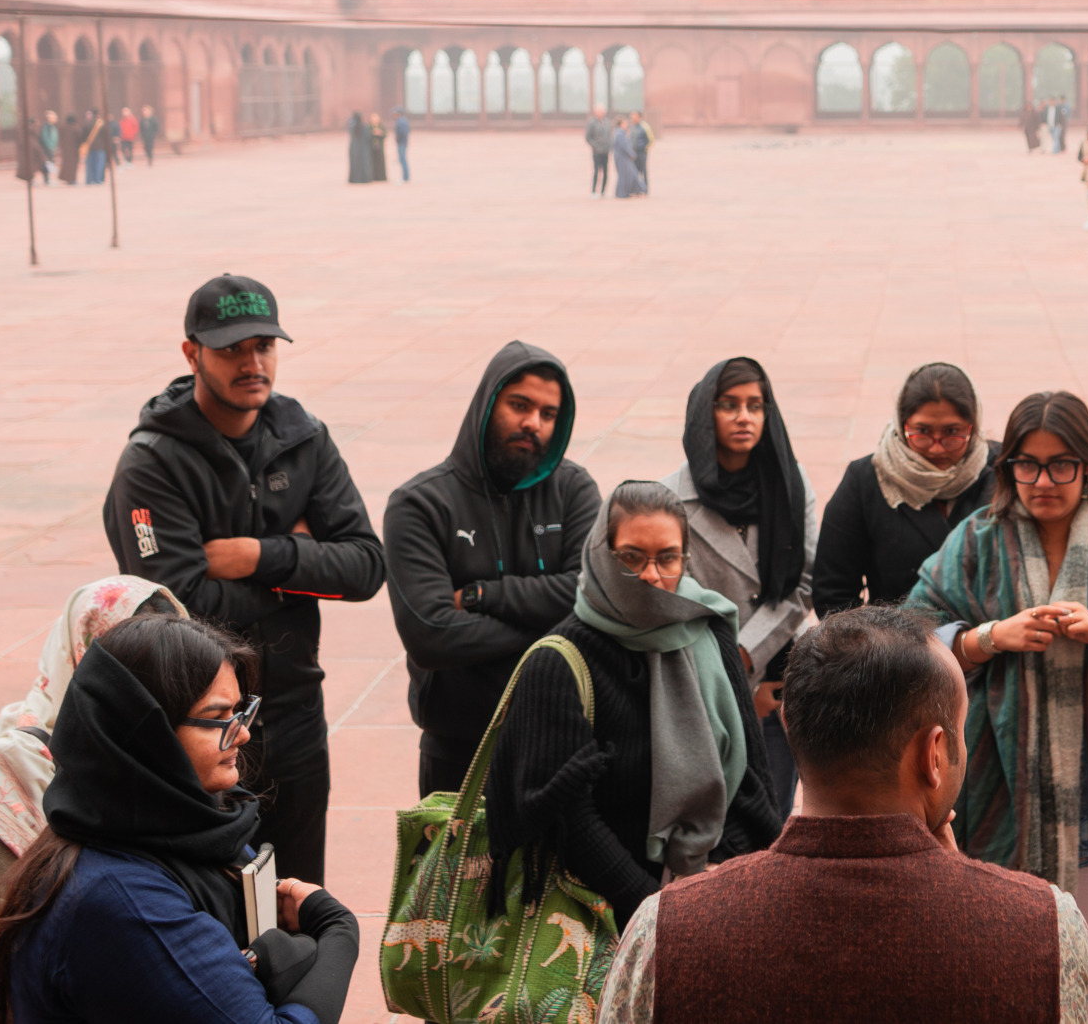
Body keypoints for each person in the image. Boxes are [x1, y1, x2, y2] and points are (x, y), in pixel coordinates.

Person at [597, 605, 1088, 1024]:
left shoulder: (667, 929)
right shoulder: (1043, 930)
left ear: (793, 728)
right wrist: (972, 894)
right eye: (959, 729)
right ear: (933, 754)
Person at [902, 390, 1088, 1015]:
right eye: (1028, 464)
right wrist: (987, 638)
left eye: (1061, 464)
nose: (1043, 481)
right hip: (994, 801)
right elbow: (909, 639)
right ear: (1007, 466)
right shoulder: (974, 544)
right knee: (992, 985)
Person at [100, 274, 386, 884]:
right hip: (201, 730)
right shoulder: (152, 463)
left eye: (264, 345)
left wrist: (261, 555)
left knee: (300, 898)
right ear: (191, 353)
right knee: (215, 907)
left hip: (296, 713)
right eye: (231, 348)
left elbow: (365, 566)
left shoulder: (303, 437)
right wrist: (306, 562)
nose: (251, 362)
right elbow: (180, 605)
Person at [0, 615, 360, 1024]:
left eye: (240, 710)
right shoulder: (125, 900)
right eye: (218, 717)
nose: (243, 734)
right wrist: (339, 934)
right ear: (148, 737)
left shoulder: (188, 823)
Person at [484, 480, 784, 932]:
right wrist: (658, 908)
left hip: (713, 899)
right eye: (631, 557)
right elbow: (569, 821)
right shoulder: (561, 661)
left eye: (667, 557)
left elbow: (749, 781)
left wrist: (726, 877)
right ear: (601, 553)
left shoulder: (710, 632)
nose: (651, 575)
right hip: (604, 920)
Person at [0, 577, 189, 1024]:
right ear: (86, 663)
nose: (157, 696)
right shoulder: (13, 767)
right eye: (136, 674)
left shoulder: (164, 750)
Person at [386, 340, 600, 797]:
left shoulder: (574, 489)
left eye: (548, 414)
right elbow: (431, 635)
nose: (533, 423)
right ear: (487, 404)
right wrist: (562, 631)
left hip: (561, 739)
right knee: (460, 872)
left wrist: (484, 597)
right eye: (519, 405)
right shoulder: (419, 504)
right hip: (458, 750)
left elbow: (590, 597)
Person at [664, 357, 819, 811]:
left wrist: (749, 654)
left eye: (755, 404)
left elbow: (804, 581)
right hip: (704, 679)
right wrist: (732, 672)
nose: (744, 417)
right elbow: (678, 598)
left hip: (774, 680)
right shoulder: (670, 496)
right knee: (710, 814)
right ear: (703, 413)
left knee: (771, 809)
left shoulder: (792, 482)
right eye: (728, 404)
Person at [810, 362, 998, 616]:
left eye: (952, 432)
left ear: (972, 427)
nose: (936, 448)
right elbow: (833, 594)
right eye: (922, 432)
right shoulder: (866, 480)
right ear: (902, 423)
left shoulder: (1003, 470)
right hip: (901, 649)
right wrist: (877, 648)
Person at [613, 114, 644, 198]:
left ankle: (626, 192)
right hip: (622, 158)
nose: (626, 125)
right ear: (621, 124)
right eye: (625, 123)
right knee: (623, 175)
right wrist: (631, 154)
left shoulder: (621, 133)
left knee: (627, 175)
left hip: (623, 157)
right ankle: (621, 193)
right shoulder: (619, 134)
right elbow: (624, 146)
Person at [586, 104, 615, 195]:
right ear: (596, 112)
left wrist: (610, 146)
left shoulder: (607, 122)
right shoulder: (592, 123)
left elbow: (610, 135)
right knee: (596, 172)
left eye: (602, 112)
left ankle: (603, 191)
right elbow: (588, 137)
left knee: (606, 172)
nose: (601, 113)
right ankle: (594, 191)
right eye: (599, 112)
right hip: (597, 152)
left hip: (606, 151)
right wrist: (595, 146)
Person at [81, 111, 109, 185]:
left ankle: (89, 179)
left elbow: (83, 136)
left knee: (89, 165)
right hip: (100, 148)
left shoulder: (87, 124)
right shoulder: (102, 124)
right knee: (99, 164)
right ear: (99, 115)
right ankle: (98, 179)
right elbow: (106, 137)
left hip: (89, 148)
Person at [58, 111, 84, 185]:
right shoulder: (75, 128)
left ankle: (66, 178)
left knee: (66, 164)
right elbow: (80, 138)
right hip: (74, 149)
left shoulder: (62, 127)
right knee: (73, 165)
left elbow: (60, 137)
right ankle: (72, 179)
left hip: (65, 148)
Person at [345, 112, 371, 184]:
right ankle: (365, 179)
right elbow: (369, 137)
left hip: (354, 148)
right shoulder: (365, 127)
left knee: (355, 164)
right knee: (364, 164)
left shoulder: (351, 127)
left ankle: (355, 179)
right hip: (364, 148)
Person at [631, 111, 654, 188]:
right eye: (632, 117)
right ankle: (637, 189)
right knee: (635, 171)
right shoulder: (633, 127)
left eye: (635, 117)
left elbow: (651, 139)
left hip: (642, 153)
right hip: (634, 152)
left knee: (643, 171)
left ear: (639, 117)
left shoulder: (645, 127)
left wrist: (646, 149)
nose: (633, 119)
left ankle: (645, 189)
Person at [37, 111, 60, 184]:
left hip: (50, 147)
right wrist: (50, 146)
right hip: (47, 148)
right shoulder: (46, 127)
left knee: (49, 163)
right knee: (47, 163)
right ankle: (46, 178)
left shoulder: (51, 127)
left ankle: (47, 178)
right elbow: (45, 138)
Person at [390, 106, 411, 182]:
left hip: (402, 143)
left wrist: (399, 139)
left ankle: (405, 177)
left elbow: (403, 132)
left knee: (402, 159)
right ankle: (405, 177)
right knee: (402, 159)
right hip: (402, 142)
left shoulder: (401, 121)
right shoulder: (402, 120)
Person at [368, 114, 389, 182]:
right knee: (372, 162)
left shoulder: (381, 126)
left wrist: (380, 133)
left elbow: (385, 135)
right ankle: (373, 176)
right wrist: (372, 133)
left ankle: (381, 177)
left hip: (380, 147)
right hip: (371, 147)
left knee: (380, 162)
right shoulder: (369, 127)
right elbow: (366, 135)